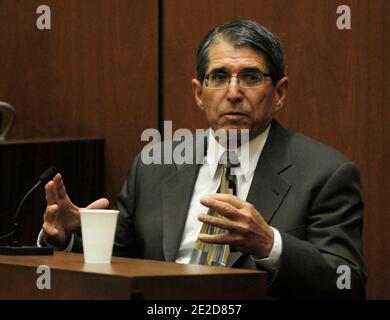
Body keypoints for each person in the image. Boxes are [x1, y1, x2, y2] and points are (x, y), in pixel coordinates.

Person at [39, 20, 367, 299]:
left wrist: (271, 245)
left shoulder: (326, 173)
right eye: (220, 76)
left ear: (279, 93)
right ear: (199, 93)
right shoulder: (155, 164)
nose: (234, 92)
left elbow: (347, 283)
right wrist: (69, 238)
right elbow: (120, 260)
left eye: (251, 77)